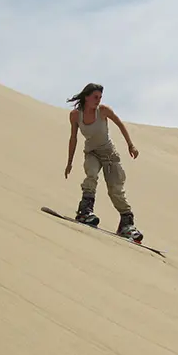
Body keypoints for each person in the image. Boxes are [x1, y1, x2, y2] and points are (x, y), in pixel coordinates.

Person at [64, 83, 143, 242]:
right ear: (86, 97)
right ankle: (85, 212)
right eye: (95, 97)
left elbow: (120, 124)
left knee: (116, 189)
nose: (98, 100)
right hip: (92, 153)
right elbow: (73, 138)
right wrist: (69, 162)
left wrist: (131, 145)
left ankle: (127, 224)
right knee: (91, 176)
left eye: (100, 97)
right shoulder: (75, 115)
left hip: (109, 154)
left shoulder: (103, 111)